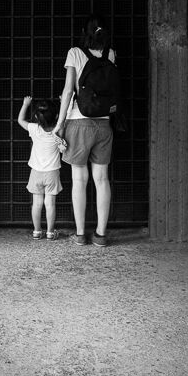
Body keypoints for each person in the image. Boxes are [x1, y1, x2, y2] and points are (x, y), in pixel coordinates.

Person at [53, 14, 116, 246]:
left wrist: (60, 124)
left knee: (79, 179)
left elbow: (68, 91)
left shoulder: (75, 53)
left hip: (78, 123)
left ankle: (80, 233)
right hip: (104, 124)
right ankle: (101, 234)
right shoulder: (111, 54)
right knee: (102, 179)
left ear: (84, 32)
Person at [17, 95, 66, 240]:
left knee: (37, 203)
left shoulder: (34, 129)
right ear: (55, 116)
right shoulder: (58, 130)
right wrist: (64, 103)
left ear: (36, 117)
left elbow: (20, 120)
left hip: (36, 172)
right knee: (50, 204)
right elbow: (64, 119)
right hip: (52, 173)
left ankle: (37, 231)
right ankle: (50, 232)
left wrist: (25, 104)